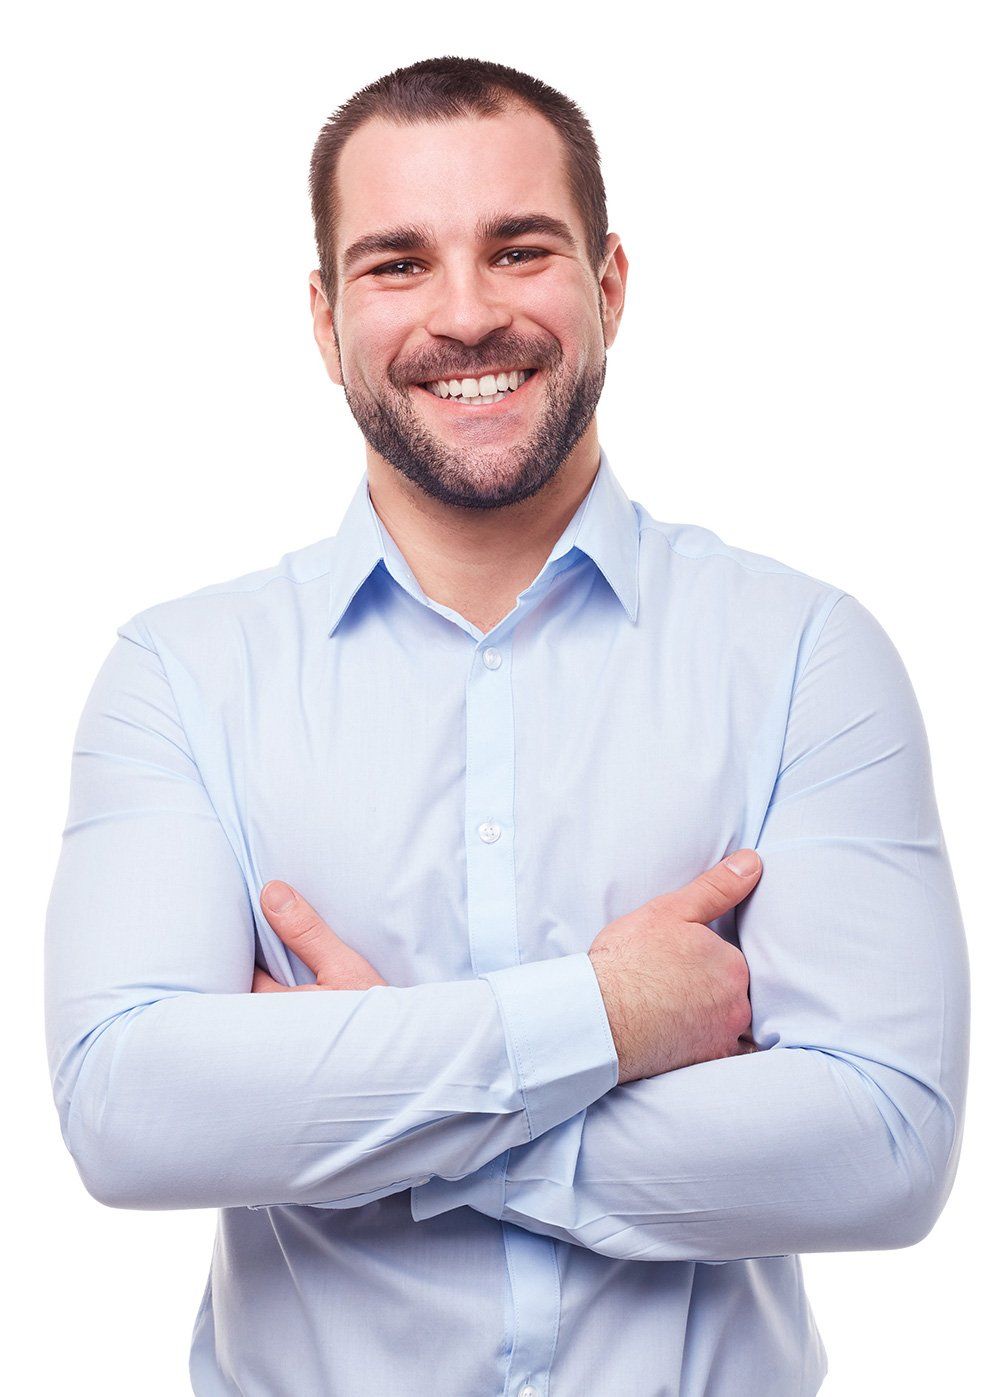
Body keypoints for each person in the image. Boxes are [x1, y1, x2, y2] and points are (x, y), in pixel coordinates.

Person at [44, 55, 970, 1397]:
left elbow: (884, 1142)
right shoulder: (181, 676)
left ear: (607, 287)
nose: (466, 314)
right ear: (325, 318)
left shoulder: (806, 655)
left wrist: (364, 1094)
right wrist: (606, 1013)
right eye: (398, 263)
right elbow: (130, 1114)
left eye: (519, 249)